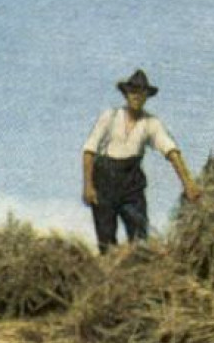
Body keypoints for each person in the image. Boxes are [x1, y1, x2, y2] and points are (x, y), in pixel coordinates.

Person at [81, 69, 202, 253]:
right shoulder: (110, 116)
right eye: (133, 91)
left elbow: (171, 151)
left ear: (146, 96)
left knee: (140, 242)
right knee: (106, 244)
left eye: (141, 92)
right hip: (104, 183)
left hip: (131, 185)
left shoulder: (151, 123)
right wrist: (88, 186)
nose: (136, 96)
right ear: (126, 94)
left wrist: (188, 183)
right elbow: (89, 151)